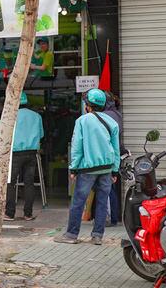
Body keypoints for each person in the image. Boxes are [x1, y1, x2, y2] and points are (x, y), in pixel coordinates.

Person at [54, 89, 120, 245]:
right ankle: (97, 236)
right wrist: (115, 170)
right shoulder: (112, 122)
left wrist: (74, 168)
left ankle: (71, 235)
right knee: (102, 202)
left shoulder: (82, 121)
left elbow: (77, 147)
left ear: (88, 105)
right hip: (107, 169)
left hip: (87, 170)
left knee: (78, 202)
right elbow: (116, 149)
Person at [5, 92, 44, 221]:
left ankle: (9, 213)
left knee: (11, 183)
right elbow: (41, 134)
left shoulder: (11, 116)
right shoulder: (36, 116)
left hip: (16, 154)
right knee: (29, 184)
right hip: (32, 154)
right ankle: (28, 214)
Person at [102, 91, 125, 227]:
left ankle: (111, 218)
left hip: (107, 154)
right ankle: (113, 217)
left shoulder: (104, 115)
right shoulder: (117, 113)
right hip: (116, 153)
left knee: (107, 188)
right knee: (111, 187)